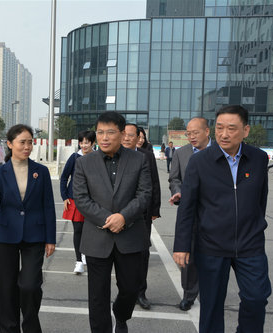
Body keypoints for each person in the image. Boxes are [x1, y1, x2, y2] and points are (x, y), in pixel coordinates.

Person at [173, 105, 271, 333]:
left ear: (245, 130)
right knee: (212, 306)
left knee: (257, 299)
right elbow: (187, 207)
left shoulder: (258, 159)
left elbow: (261, 199)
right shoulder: (200, 162)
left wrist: (255, 226)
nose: (224, 134)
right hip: (211, 246)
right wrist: (181, 245)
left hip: (250, 245)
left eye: (231, 128)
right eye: (219, 128)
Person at [73, 112, 151, 333]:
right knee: (97, 296)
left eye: (110, 132)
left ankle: (121, 315)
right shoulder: (84, 163)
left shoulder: (139, 159)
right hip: (98, 237)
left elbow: (145, 194)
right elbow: (81, 198)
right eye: (100, 132)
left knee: (130, 289)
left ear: (122, 133)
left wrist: (124, 217)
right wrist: (110, 219)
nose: (104, 137)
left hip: (131, 237)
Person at [0, 124, 56, 333]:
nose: (27, 146)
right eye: (23, 142)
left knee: (30, 286)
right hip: (6, 235)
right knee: (7, 288)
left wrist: (51, 238)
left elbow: (48, 206)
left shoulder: (41, 172)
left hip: (35, 235)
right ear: (10, 144)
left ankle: (31, 327)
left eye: (30, 142)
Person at [168, 117, 211, 311]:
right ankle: (189, 294)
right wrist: (177, 191)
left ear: (207, 132)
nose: (191, 137)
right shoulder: (181, 153)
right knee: (189, 255)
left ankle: (213, 290)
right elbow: (174, 178)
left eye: (195, 133)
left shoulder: (220, 151)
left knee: (214, 255)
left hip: (216, 214)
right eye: (188, 133)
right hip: (190, 212)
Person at [121, 124, 161, 310]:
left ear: (138, 138)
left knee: (142, 255)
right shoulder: (114, 155)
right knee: (121, 255)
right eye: (124, 135)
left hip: (142, 215)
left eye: (131, 135)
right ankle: (124, 292)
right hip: (119, 216)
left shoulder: (146, 156)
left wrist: (155, 209)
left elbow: (154, 183)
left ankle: (141, 292)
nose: (127, 138)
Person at [60, 130, 96, 274]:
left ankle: (86, 253)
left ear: (93, 143)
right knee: (78, 230)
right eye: (81, 142)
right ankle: (79, 261)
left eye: (87, 142)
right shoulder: (74, 157)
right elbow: (64, 178)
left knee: (91, 230)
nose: (84, 145)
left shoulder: (97, 157)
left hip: (93, 200)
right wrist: (65, 197)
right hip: (75, 199)